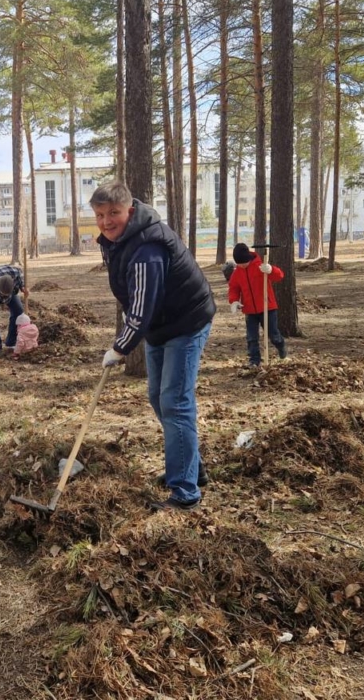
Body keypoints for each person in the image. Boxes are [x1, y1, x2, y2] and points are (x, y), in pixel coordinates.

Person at [94, 181, 215, 512]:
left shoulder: (148, 248)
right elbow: (134, 298)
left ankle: (185, 492)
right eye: (101, 215)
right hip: (162, 325)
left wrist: (120, 348)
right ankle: (192, 468)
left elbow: (142, 306)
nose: (107, 222)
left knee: (175, 402)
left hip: (186, 321)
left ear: (129, 211)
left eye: (114, 213)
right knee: (157, 397)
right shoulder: (117, 241)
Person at [227, 243, 287, 367]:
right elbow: (233, 288)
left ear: (248, 258)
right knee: (251, 337)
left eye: (244, 262)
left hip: (267, 307)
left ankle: (281, 345)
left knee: (273, 334)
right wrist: (234, 301)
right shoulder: (237, 273)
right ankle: (254, 360)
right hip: (249, 310)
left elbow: (279, 276)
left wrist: (271, 270)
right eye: (239, 263)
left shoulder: (261, 266)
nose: (242, 265)